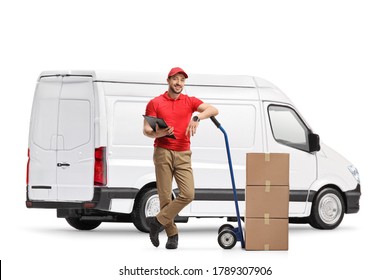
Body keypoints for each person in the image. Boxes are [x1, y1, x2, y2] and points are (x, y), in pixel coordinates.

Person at [143, 67, 218, 249]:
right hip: (163, 152)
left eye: (182, 80)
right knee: (164, 197)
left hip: (184, 153)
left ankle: (157, 221)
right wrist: (160, 132)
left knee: (188, 194)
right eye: (175, 79)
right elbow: (146, 130)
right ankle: (172, 235)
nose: (179, 83)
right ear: (168, 80)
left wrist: (197, 117)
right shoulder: (155, 102)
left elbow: (214, 109)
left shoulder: (190, 101)